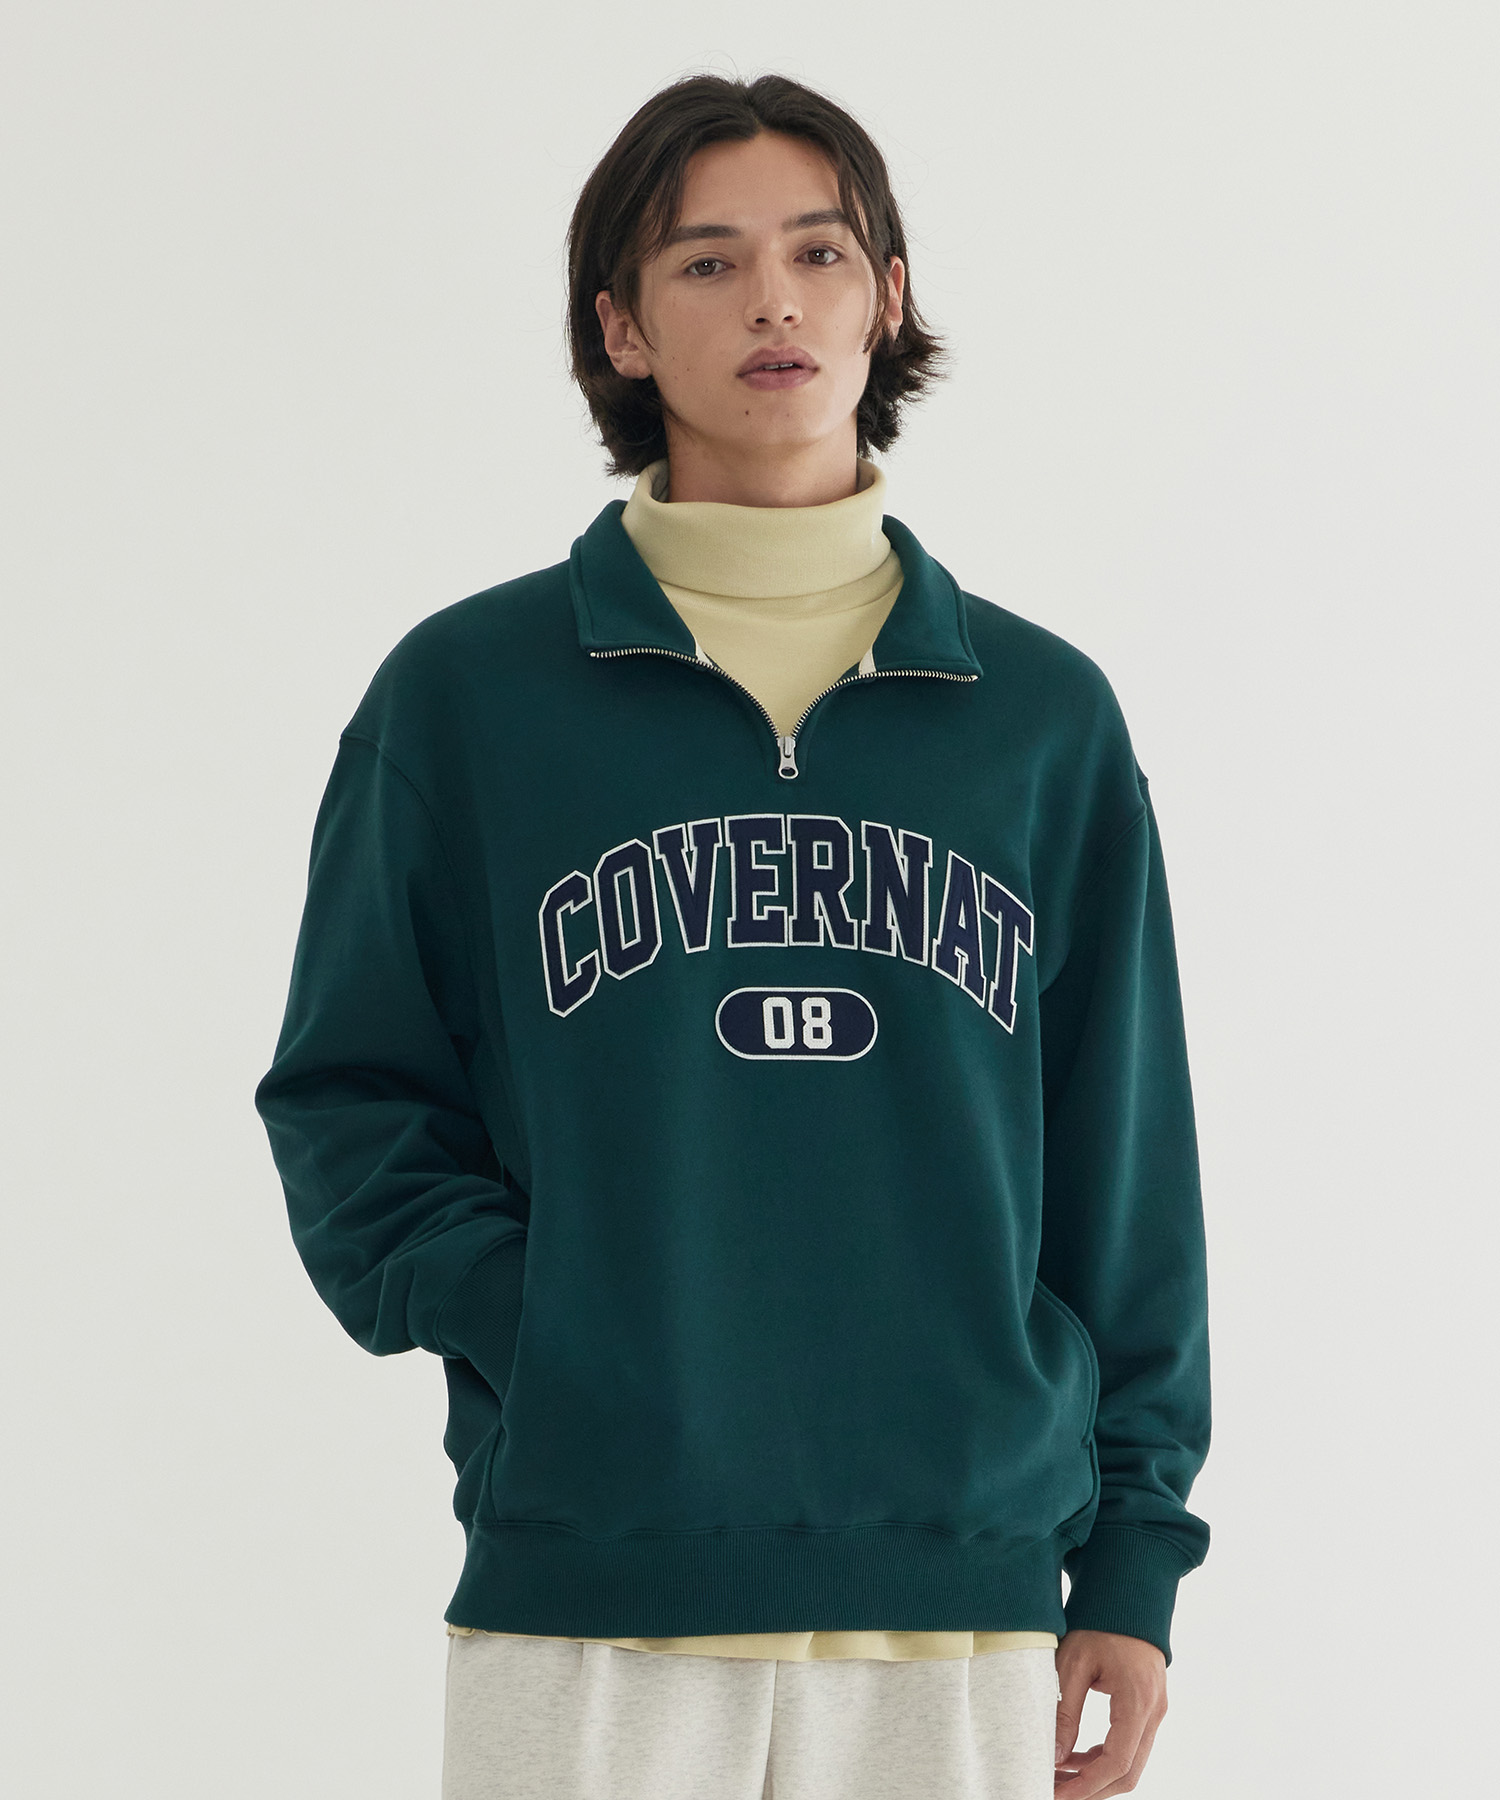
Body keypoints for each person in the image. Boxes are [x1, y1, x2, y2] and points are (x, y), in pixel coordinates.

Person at [255, 72, 1211, 1800]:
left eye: (818, 252)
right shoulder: (468, 699)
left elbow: (1125, 1168)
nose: (773, 299)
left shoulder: (1040, 720)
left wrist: (1134, 1562)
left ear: (887, 297)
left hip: (963, 1599)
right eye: (706, 262)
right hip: (593, 1600)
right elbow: (347, 1102)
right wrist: (565, 1325)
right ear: (620, 326)